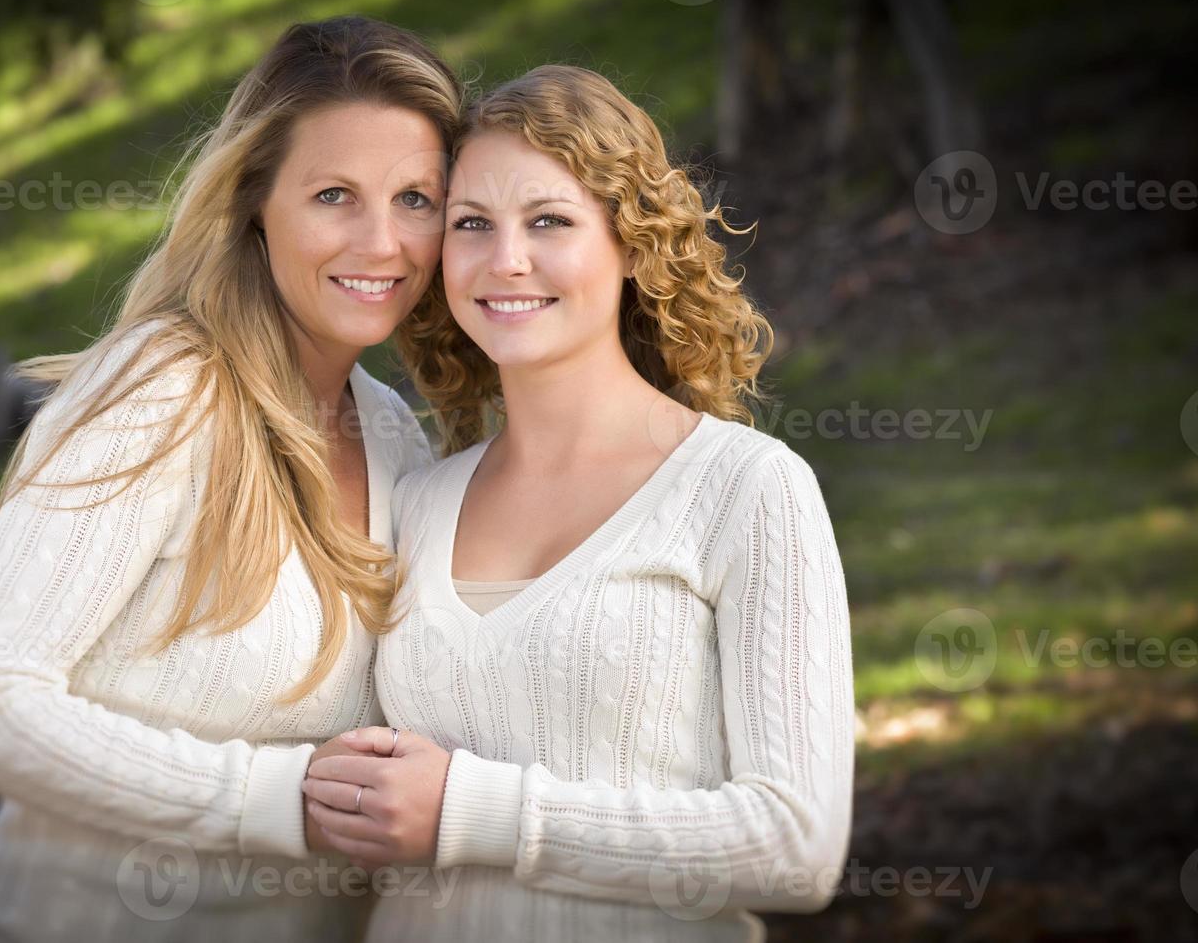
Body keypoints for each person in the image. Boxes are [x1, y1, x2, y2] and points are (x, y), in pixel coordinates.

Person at [0, 16, 462, 941]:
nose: (384, 242)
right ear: (255, 202)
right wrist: (274, 796)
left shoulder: (395, 441)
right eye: (334, 194)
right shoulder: (163, 390)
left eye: (416, 198)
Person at [303, 64, 855, 942]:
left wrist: (472, 810)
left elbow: (795, 848)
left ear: (632, 245)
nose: (504, 260)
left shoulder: (744, 488)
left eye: (549, 221)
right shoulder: (418, 498)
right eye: (471, 225)